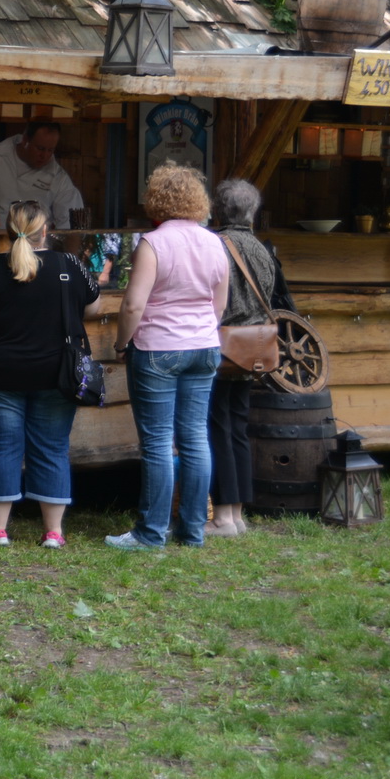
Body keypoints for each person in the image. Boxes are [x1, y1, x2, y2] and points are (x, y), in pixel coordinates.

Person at [0, 200, 101, 549]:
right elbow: (93, 306)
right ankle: (53, 533)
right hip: (58, 374)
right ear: (45, 232)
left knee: (1, 449)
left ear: (7, 232)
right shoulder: (70, 264)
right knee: (52, 448)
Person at [107, 164, 228, 550]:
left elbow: (132, 305)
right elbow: (219, 304)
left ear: (156, 199)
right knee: (195, 438)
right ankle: (193, 532)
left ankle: (150, 533)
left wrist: (123, 343)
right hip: (204, 347)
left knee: (158, 443)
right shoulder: (216, 243)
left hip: (158, 347)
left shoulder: (153, 243)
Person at [207, 179, 279, 537]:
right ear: (253, 211)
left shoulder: (215, 245)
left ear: (217, 209)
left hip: (222, 347)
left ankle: (222, 516)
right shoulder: (262, 248)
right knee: (237, 428)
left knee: (217, 427)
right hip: (254, 350)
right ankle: (236, 514)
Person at [0, 122, 85, 265]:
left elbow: (70, 227)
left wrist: (71, 266)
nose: (45, 155)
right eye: (40, 148)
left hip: (31, 261)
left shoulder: (58, 177)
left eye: (50, 150)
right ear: (25, 140)